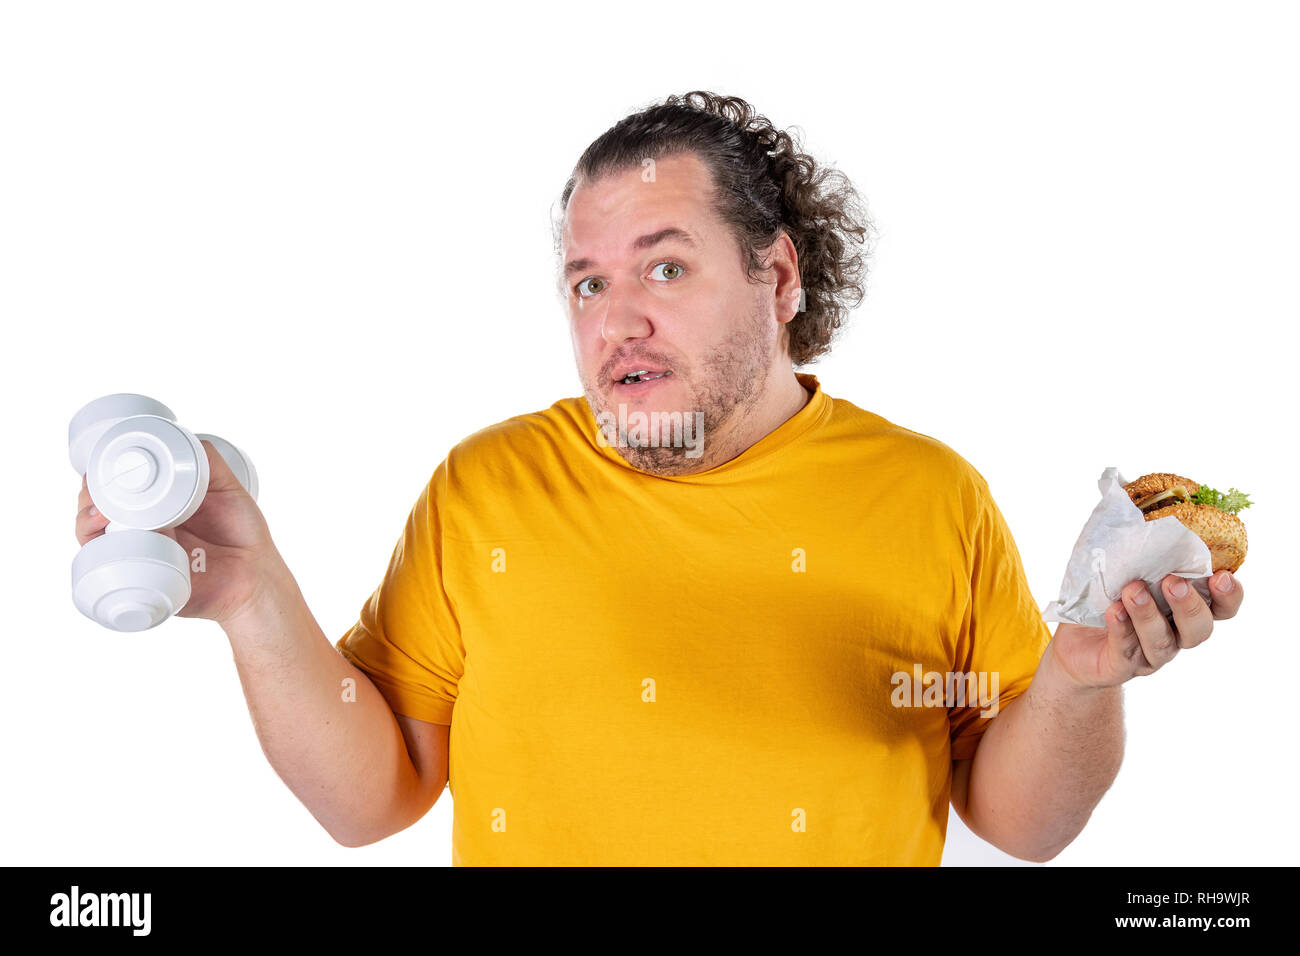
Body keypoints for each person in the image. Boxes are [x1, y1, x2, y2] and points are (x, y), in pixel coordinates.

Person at [74, 91, 1245, 865]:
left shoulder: (929, 493)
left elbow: (1019, 821)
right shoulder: (489, 486)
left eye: (665, 266)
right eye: (586, 283)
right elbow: (369, 797)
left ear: (777, 274)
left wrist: (1085, 682)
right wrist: (246, 590)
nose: (615, 320)